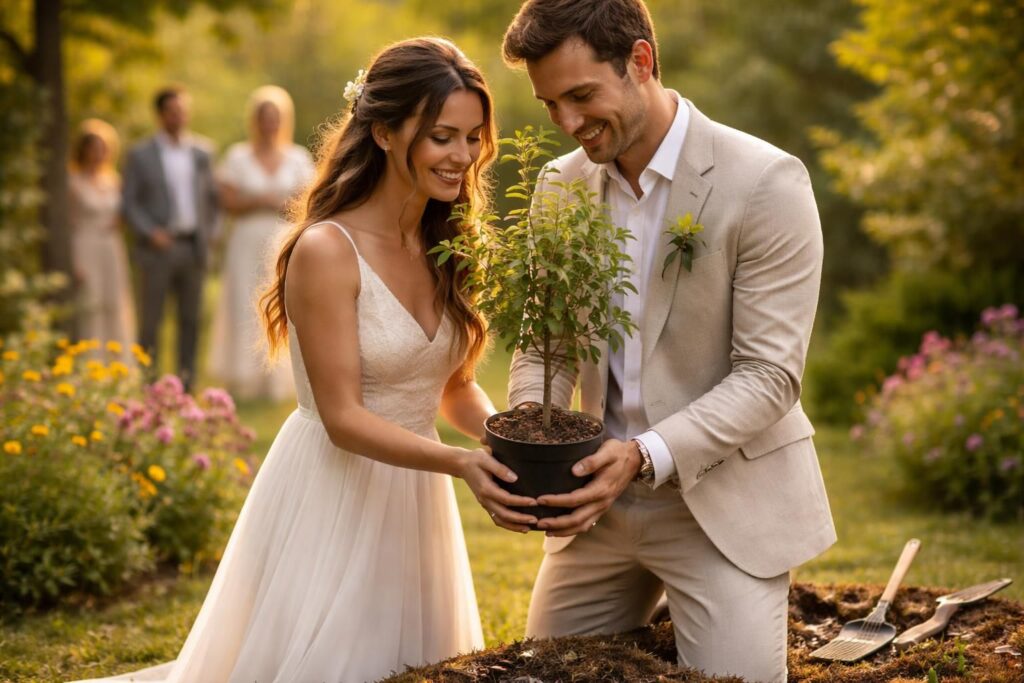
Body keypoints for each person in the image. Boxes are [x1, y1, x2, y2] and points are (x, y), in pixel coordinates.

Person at [71, 37, 536, 683]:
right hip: (336, 490)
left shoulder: (447, 240)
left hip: (416, 494)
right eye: (441, 137)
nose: (462, 156)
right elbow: (343, 416)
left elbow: (451, 384)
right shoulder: (326, 249)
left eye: (472, 138)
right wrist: (462, 463)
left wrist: (504, 442)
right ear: (382, 132)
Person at [502, 1, 836, 681]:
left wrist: (640, 455)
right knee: (540, 672)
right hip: (594, 509)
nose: (567, 122)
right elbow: (545, 345)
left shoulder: (767, 183)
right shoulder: (558, 187)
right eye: (550, 105)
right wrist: (530, 456)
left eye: (581, 95)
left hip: (720, 502)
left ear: (641, 62)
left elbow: (769, 376)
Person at [208, 85, 314, 401]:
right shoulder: (238, 156)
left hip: (281, 239)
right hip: (245, 239)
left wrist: (268, 201)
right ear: (255, 120)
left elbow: (306, 201)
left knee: (279, 302)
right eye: (265, 117)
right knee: (243, 301)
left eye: (276, 117)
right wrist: (261, 200)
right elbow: (228, 201)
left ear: (285, 120)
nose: (270, 123)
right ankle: (243, 377)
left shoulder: (298, 157)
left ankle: (277, 380)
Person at [122, 85, 220, 393]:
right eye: (173, 111)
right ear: (161, 114)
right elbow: (129, 202)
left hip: (193, 248)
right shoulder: (140, 154)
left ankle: (185, 389)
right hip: (157, 249)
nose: (179, 116)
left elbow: (214, 200)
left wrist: (212, 233)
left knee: (190, 321)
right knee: (151, 321)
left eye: (183, 110)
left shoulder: (203, 152)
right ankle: (148, 386)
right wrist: (150, 231)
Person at [68, 119, 135, 348]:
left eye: (103, 148)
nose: (98, 154)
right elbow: (70, 224)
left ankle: (116, 362)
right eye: (94, 148)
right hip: (86, 246)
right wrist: (74, 262)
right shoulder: (73, 182)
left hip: (112, 247)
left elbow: (124, 212)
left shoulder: (114, 180)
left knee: (114, 302)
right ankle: (90, 359)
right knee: (91, 303)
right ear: (83, 150)